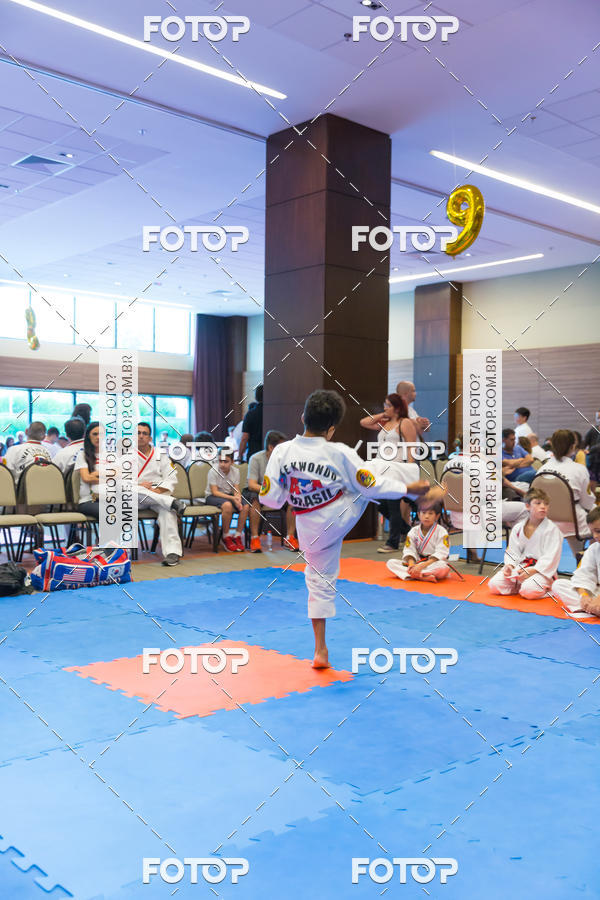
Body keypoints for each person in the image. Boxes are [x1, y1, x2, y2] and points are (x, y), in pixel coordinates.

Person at [260, 389, 443, 668]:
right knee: (375, 471)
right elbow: (369, 484)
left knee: (318, 580)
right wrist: (408, 488)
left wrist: (294, 487)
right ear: (331, 429)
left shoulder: (282, 451)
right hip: (337, 516)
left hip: (307, 527)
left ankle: (320, 651)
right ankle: (419, 493)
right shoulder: (339, 452)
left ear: (302, 418)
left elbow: (269, 499)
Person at [360, 393, 419, 554]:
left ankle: (393, 542)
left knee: (393, 506)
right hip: (380, 467)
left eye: (388, 405)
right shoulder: (384, 422)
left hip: (396, 468)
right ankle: (408, 531)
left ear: (397, 408)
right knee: (378, 502)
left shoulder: (405, 423)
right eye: (384, 405)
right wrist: (383, 414)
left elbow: (411, 446)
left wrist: (411, 468)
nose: (385, 408)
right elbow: (364, 422)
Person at [488, 488, 562, 600]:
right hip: (522, 567)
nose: (543, 506)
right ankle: (519, 587)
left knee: (529, 591)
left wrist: (533, 570)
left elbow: (551, 556)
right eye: (538, 503)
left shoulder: (552, 529)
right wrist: (509, 565)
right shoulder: (518, 528)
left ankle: (549, 588)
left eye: (546, 504)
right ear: (527, 506)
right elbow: (512, 551)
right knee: (494, 585)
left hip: (542, 570)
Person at [538, 429, 596, 553]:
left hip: (546, 522)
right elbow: (587, 503)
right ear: (572, 446)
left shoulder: (542, 470)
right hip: (574, 523)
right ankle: (589, 560)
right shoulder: (579, 469)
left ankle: (582, 559)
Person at [136, 422, 186, 566]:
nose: (141, 436)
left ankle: (172, 553)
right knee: (129, 489)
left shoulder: (160, 454)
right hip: (135, 495)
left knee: (167, 511)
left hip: (156, 493)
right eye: (138, 433)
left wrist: (158, 490)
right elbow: (120, 480)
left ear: (150, 437)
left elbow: (171, 476)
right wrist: (139, 485)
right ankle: (173, 503)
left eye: (144, 433)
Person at [242, 430, 296, 552]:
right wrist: (270, 491)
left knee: (294, 499)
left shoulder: (286, 461)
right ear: (271, 447)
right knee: (254, 500)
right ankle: (255, 538)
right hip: (258, 490)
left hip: (277, 491)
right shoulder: (256, 458)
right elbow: (252, 484)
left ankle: (290, 537)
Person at [552, 508, 600, 618]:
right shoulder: (594, 548)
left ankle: (592, 609)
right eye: (592, 532)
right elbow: (583, 574)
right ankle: (590, 608)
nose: (595, 536)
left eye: (598, 531)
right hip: (597, 593)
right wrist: (584, 596)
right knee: (558, 585)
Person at [386, 501, 450, 582]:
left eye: (430, 513)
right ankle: (421, 576)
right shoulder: (413, 531)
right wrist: (411, 565)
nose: (426, 516)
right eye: (423, 513)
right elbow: (409, 550)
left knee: (443, 569)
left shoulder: (442, 532)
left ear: (437, 516)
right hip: (417, 563)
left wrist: (423, 565)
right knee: (391, 563)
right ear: (419, 514)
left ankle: (414, 575)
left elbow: (442, 553)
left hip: (432, 564)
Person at [206, 449, 249, 552]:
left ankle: (237, 536)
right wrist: (233, 498)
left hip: (229, 496)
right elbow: (215, 492)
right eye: (220, 461)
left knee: (246, 506)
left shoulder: (235, 471)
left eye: (226, 461)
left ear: (232, 462)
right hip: (212, 496)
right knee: (227, 505)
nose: (222, 464)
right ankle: (226, 536)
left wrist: (238, 498)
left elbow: (236, 489)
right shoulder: (213, 471)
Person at [75, 421, 102, 518]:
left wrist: (97, 474)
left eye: (101, 434)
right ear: (88, 436)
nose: (98, 437)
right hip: (88, 500)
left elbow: (119, 475)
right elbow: (86, 478)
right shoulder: (82, 455)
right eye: (95, 434)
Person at [238, 385, 263, 461]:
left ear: (256, 397)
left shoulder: (250, 414)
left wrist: (240, 455)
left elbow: (245, 437)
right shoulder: (272, 412)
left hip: (253, 452)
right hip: (269, 452)